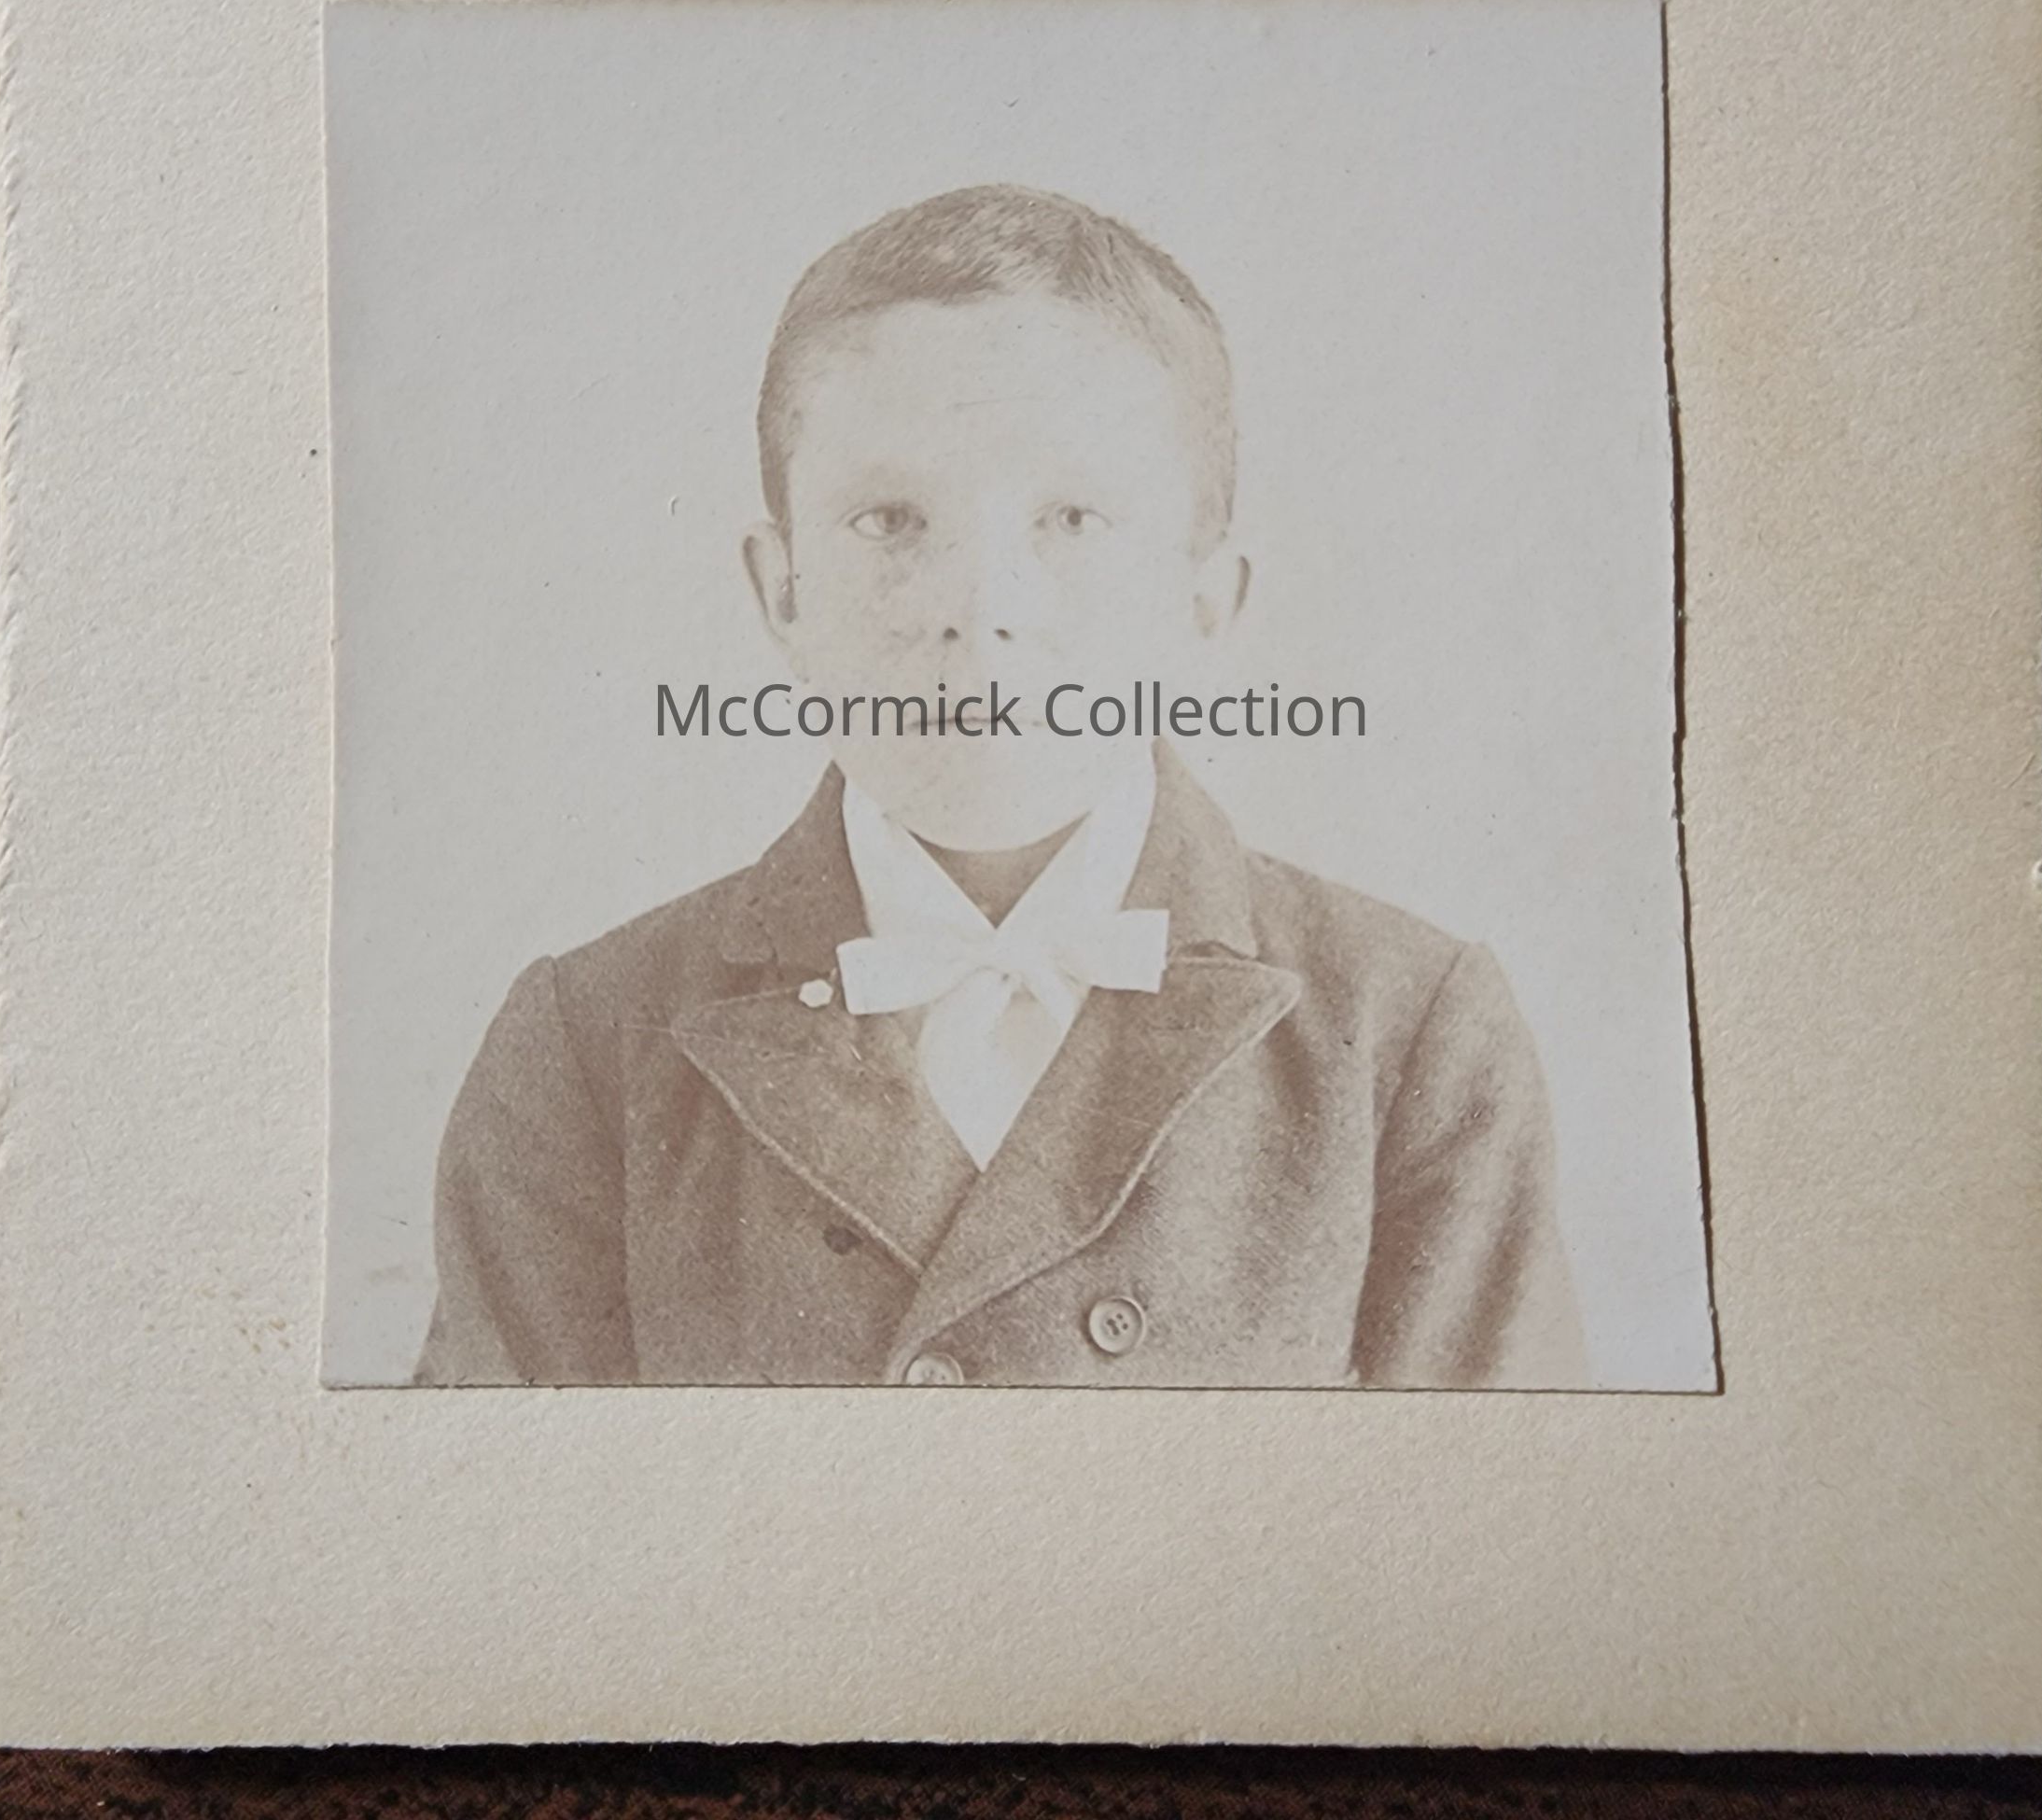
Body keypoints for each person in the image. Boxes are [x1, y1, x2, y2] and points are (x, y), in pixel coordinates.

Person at [414, 183, 1586, 1389]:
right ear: (783, 590)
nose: (980, 610)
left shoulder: (1407, 1040)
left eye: (1072, 518)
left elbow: (1488, 1503)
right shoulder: (589, 1052)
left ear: (1204, 597)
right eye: (889, 521)